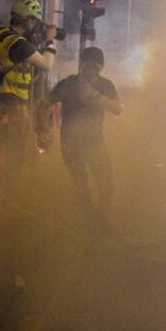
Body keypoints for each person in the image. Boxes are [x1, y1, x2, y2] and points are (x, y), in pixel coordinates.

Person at [47, 47, 122, 224]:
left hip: (94, 141)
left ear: (101, 68)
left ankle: (98, 216)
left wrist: (96, 96)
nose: (91, 71)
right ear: (81, 65)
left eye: (96, 67)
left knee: (106, 183)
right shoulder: (68, 84)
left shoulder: (105, 85)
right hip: (70, 143)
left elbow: (118, 109)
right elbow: (44, 104)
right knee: (81, 185)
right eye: (88, 66)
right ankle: (88, 222)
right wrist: (43, 130)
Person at [0, 0, 58, 185]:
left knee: (6, 148)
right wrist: (50, 41)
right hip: (12, 103)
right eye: (35, 23)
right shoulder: (18, 44)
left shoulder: (3, 36)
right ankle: (2, 193)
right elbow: (46, 64)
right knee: (14, 151)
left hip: (2, 100)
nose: (36, 28)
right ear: (29, 21)